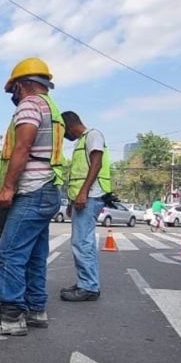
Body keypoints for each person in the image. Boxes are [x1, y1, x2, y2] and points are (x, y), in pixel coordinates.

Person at [0, 57, 63, 336]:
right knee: (35, 254)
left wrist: (8, 187)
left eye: (13, 89)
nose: (12, 96)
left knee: (9, 251)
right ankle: (36, 309)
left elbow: (23, 148)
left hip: (33, 190)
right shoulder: (52, 108)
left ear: (23, 84)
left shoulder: (30, 104)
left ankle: (11, 316)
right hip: (49, 188)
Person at [60, 111, 111, 302]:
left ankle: (88, 286)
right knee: (81, 241)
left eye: (64, 131)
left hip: (91, 195)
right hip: (84, 197)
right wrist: (73, 201)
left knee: (82, 242)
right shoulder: (81, 141)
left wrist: (83, 193)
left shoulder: (93, 135)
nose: (65, 136)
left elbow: (96, 164)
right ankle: (86, 282)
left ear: (70, 124)